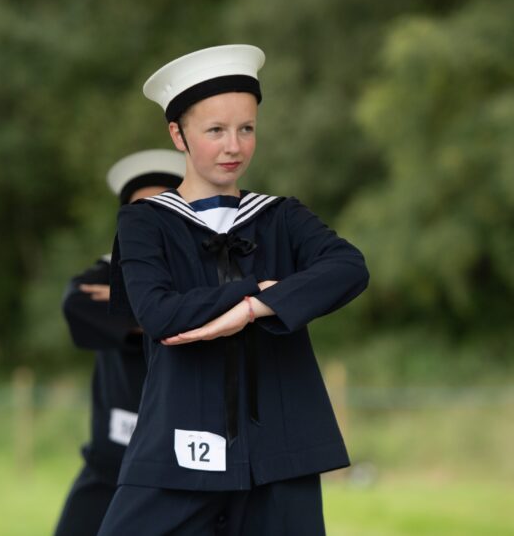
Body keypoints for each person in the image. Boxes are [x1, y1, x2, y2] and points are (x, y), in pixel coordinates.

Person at [97, 44, 369, 535]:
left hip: (281, 454)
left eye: (247, 129)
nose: (234, 146)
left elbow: (348, 267)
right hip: (177, 449)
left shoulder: (282, 216)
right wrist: (251, 288)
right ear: (177, 134)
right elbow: (159, 314)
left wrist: (252, 308)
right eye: (215, 131)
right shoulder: (144, 223)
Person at [53, 150, 185, 536]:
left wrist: (128, 308)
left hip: (177, 471)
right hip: (110, 466)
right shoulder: (107, 267)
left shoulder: (207, 274)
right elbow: (77, 305)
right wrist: (170, 314)